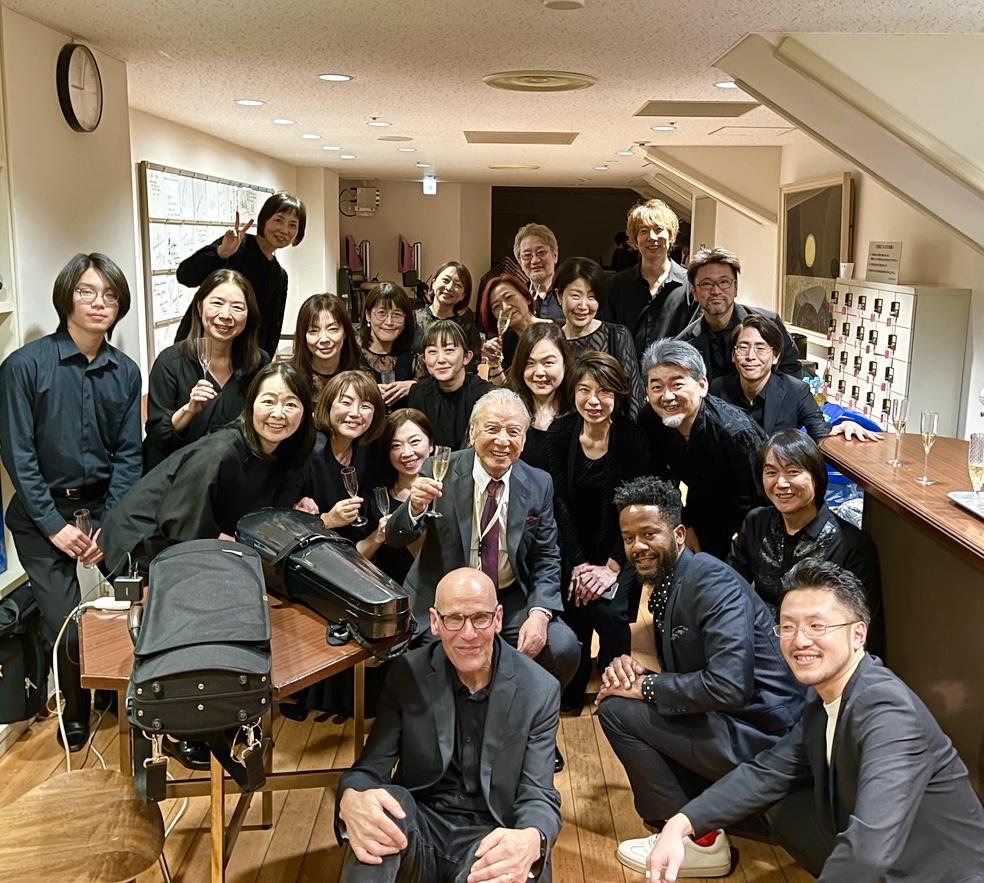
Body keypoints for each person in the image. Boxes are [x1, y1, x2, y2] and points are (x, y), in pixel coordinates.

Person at [645, 559, 984, 883]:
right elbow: (768, 771)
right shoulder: (823, 695)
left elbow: (869, 852)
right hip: (886, 855)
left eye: (817, 625)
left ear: (858, 634)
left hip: (939, 873)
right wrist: (682, 823)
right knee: (775, 800)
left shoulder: (888, 711)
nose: (800, 640)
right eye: (788, 626)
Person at [595, 477, 805, 877]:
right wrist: (635, 673)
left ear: (678, 534)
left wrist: (646, 686)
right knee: (622, 698)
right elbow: (695, 673)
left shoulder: (712, 582)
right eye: (628, 538)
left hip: (766, 738)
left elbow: (729, 685)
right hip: (738, 722)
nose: (637, 546)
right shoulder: (673, 580)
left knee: (617, 711)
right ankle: (699, 815)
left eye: (649, 534)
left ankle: (699, 842)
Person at [386, 389, 581, 771]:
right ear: (473, 432)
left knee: (563, 647)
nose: (502, 440)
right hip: (444, 599)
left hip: (507, 597)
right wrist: (414, 506)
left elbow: (547, 556)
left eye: (514, 431)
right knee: (435, 662)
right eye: (492, 428)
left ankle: (530, 730)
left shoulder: (538, 482)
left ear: (525, 438)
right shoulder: (439, 470)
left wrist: (540, 613)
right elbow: (396, 538)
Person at [334, 567, 561, 883]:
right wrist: (350, 797)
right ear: (435, 622)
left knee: (519, 862)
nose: (468, 634)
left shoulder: (539, 689)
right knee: (379, 816)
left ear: (498, 618)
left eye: (480, 618)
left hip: (492, 832)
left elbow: (539, 793)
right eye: (454, 619)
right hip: (421, 823)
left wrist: (532, 836)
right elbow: (369, 770)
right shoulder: (406, 673)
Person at [0, 253, 142, 751]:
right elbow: (17, 455)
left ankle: (132, 699)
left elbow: (129, 454)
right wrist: (53, 526)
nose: (99, 303)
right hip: (40, 515)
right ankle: (75, 711)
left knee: (138, 603)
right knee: (67, 624)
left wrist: (112, 525)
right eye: (87, 292)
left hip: (104, 508)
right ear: (67, 298)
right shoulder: (23, 367)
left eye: (110, 295)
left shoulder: (126, 372)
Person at [99, 361, 316, 575]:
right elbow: (182, 523)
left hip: (195, 546)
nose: (278, 414)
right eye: (268, 401)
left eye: (290, 404)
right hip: (144, 546)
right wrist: (243, 548)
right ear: (251, 405)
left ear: (305, 413)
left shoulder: (289, 453)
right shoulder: (221, 450)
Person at [546, 352, 651, 711]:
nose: (594, 400)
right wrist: (578, 563)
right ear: (573, 392)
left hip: (621, 546)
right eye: (585, 390)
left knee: (609, 612)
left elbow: (633, 506)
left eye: (604, 391)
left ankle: (614, 684)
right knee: (573, 606)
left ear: (617, 394)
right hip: (572, 544)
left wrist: (611, 566)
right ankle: (573, 686)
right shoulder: (560, 433)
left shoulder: (633, 438)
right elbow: (559, 501)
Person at [728, 429, 884, 654]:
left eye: (793, 471)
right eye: (771, 472)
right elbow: (731, 586)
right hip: (756, 646)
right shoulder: (756, 522)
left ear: (816, 477)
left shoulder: (851, 545)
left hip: (813, 653)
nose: (781, 483)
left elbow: (866, 630)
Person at [641, 338, 766, 560]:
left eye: (677, 385)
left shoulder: (734, 431)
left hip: (750, 517)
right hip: (699, 506)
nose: (667, 396)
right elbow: (661, 480)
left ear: (702, 386)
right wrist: (685, 523)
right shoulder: (650, 419)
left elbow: (756, 500)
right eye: (657, 387)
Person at [144, 268, 268, 471]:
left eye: (237, 307)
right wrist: (188, 410)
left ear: (249, 314)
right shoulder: (170, 363)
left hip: (239, 475)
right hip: (181, 476)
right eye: (217, 303)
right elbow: (156, 439)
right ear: (200, 307)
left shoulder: (259, 363)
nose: (226, 315)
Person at [710, 313, 880, 442]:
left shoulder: (796, 391)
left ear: (776, 356)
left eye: (760, 348)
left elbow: (821, 433)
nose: (750, 356)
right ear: (733, 355)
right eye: (743, 347)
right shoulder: (718, 388)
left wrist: (844, 427)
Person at [175, 191, 306, 356]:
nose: (284, 230)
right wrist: (220, 254)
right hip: (203, 351)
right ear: (264, 220)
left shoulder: (280, 276)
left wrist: (264, 365)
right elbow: (185, 276)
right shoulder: (237, 246)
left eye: (293, 225)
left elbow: (272, 330)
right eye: (278, 220)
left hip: (245, 360)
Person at [676, 247, 801, 383]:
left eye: (724, 282)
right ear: (694, 292)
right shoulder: (684, 344)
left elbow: (791, 372)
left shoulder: (770, 323)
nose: (716, 291)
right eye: (706, 284)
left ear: (735, 287)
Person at [296, 369, 387, 543]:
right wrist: (328, 519)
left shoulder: (366, 449)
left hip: (351, 546)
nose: (355, 413)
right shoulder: (308, 451)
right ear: (328, 405)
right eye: (346, 403)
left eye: (365, 406)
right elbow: (285, 523)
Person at [554, 256, 646, 420]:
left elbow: (634, 400)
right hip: (563, 432)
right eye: (575, 296)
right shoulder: (552, 342)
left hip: (613, 431)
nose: (583, 306)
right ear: (559, 295)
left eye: (592, 297)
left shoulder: (616, 336)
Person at [606, 199, 694, 360]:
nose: (652, 237)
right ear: (635, 239)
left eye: (659, 229)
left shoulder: (691, 285)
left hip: (674, 373)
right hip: (625, 373)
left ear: (671, 235)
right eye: (643, 231)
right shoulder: (616, 285)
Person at [358, 409, 435, 585]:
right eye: (396, 446)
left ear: (431, 444)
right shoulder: (374, 496)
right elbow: (355, 559)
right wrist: (378, 537)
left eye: (415, 442)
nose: (407, 453)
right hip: (383, 590)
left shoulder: (446, 493)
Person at [407, 319, 492, 450]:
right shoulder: (419, 392)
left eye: (449, 350)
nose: (441, 359)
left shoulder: (484, 395)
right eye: (432, 352)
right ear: (424, 359)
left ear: (466, 357)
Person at [507, 323, 574, 473]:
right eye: (530, 363)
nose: (539, 372)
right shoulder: (507, 408)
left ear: (565, 363)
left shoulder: (578, 410)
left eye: (548, 363)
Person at [290, 292, 360, 409]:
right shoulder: (290, 380)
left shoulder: (360, 380)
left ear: (345, 332)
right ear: (303, 336)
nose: (324, 339)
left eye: (332, 329)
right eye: (314, 331)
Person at [478, 272, 551, 384]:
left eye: (509, 297)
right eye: (496, 306)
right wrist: (494, 364)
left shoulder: (556, 330)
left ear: (526, 297)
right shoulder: (506, 344)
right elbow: (504, 388)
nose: (506, 307)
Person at [359, 282, 418, 412]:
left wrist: (414, 388)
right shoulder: (352, 354)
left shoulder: (412, 358)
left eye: (397, 315)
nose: (389, 322)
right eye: (381, 313)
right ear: (368, 315)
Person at [413, 262, 482, 365]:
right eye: (445, 280)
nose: (449, 288)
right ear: (433, 283)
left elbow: (472, 367)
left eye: (457, 285)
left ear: (463, 295)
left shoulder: (468, 329)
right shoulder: (413, 319)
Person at [514, 223, 564, 325]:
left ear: (555, 255)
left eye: (541, 252)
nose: (535, 260)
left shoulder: (569, 292)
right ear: (520, 262)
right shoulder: (518, 297)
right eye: (527, 255)